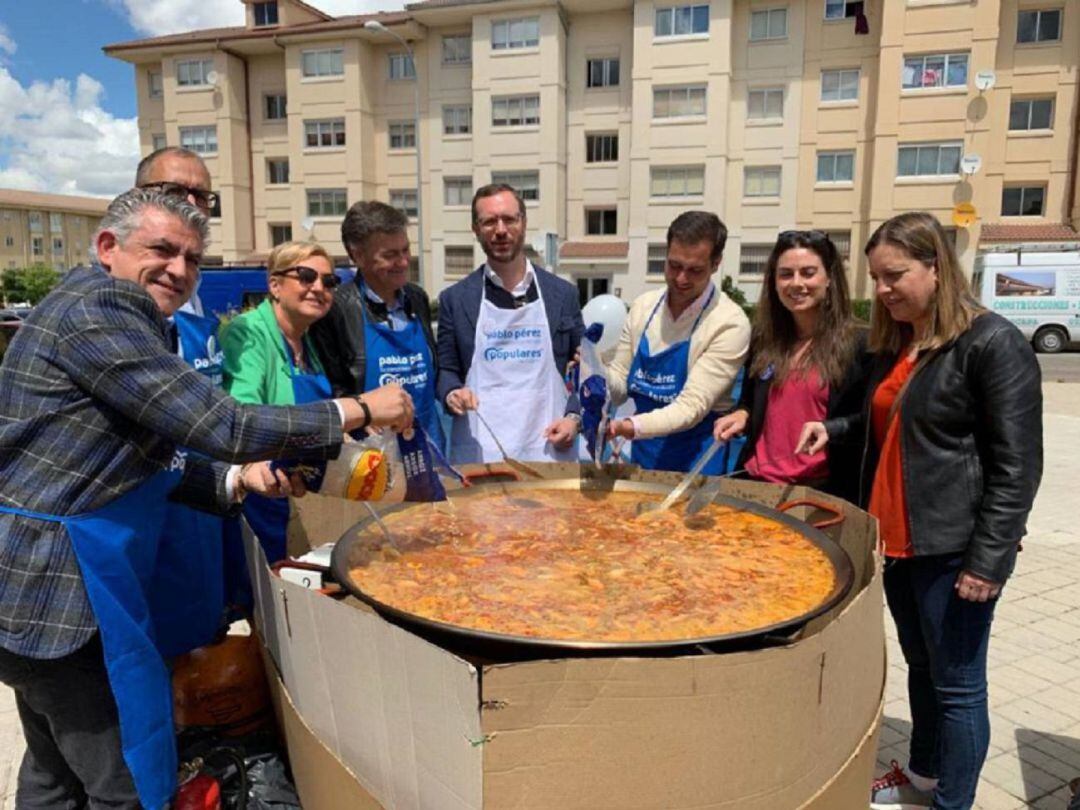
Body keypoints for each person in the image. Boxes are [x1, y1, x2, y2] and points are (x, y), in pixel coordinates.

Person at [0, 188, 412, 810]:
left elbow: (136, 459)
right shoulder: (103, 306)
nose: (179, 269)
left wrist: (236, 481)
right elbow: (228, 426)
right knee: (128, 784)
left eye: (192, 258)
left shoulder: (109, 310)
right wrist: (358, 409)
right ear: (107, 247)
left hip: (38, 587)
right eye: (162, 250)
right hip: (61, 593)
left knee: (54, 776)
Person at [797, 212, 1042, 810]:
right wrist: (834, 428)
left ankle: (952, 802)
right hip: (899, 546)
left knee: (958, 688)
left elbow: (1018, 466)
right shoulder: (902, 343)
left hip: (953, 550)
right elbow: (892, 424)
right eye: (876, 277)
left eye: (895, 275)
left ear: (936, 267)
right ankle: (925, 775)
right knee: (921, 669)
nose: (882, 290)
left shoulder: (991, 343)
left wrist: (987, 562)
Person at [133, 146, 230, 656]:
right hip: (147, 514)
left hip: (203, 503)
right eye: (176, 192)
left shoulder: (198, 300)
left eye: (202, 195)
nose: (193, 203)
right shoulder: (122, 308)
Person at [712, 230, 868, 500]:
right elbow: (751, 402)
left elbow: (867, 424)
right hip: (754, 485)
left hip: (817, 496)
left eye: (808, 273)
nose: (796, 283)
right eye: (785, 274)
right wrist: (743, 415)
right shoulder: (764, 339)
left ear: (829, 277)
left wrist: (831, 429)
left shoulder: (860, 345)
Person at [437, 183, 584, 463]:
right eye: (489, 221)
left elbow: (585, 371)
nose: (500, 230)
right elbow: (446, 369)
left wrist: (574, 418)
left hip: (548, 453)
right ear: (475, 229)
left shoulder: (563, 295)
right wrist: (451, 393)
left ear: (523, 223)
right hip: (480, 455)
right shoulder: (454, 300)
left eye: (509, 219)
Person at [605, 210, 750, 474]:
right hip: (643, 457)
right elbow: (619, 386)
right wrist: (596, 373)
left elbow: (690, 408)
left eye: (695, 270)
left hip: (698, 464)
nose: (681, 278)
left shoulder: (729, 323)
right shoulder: (642, 308)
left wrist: (627, 426)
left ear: (716, 263)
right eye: (674, 265)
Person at [222, 240, 340, 562]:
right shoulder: (247, 331)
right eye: (306, 276)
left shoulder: (310, 341)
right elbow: (243, 411)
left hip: (301, 492)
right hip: (259, 492)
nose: (319, 287)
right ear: (274, 285)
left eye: (328, 281)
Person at [310, 201, 443, 449]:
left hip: (428, 445)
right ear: (357, 256)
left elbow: (436, 369)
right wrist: (361, 414)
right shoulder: (337, 309)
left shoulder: (417, 298)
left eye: (405, 250)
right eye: (390, 255)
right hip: (371, 454)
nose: (403, 262)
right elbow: (330, 388)